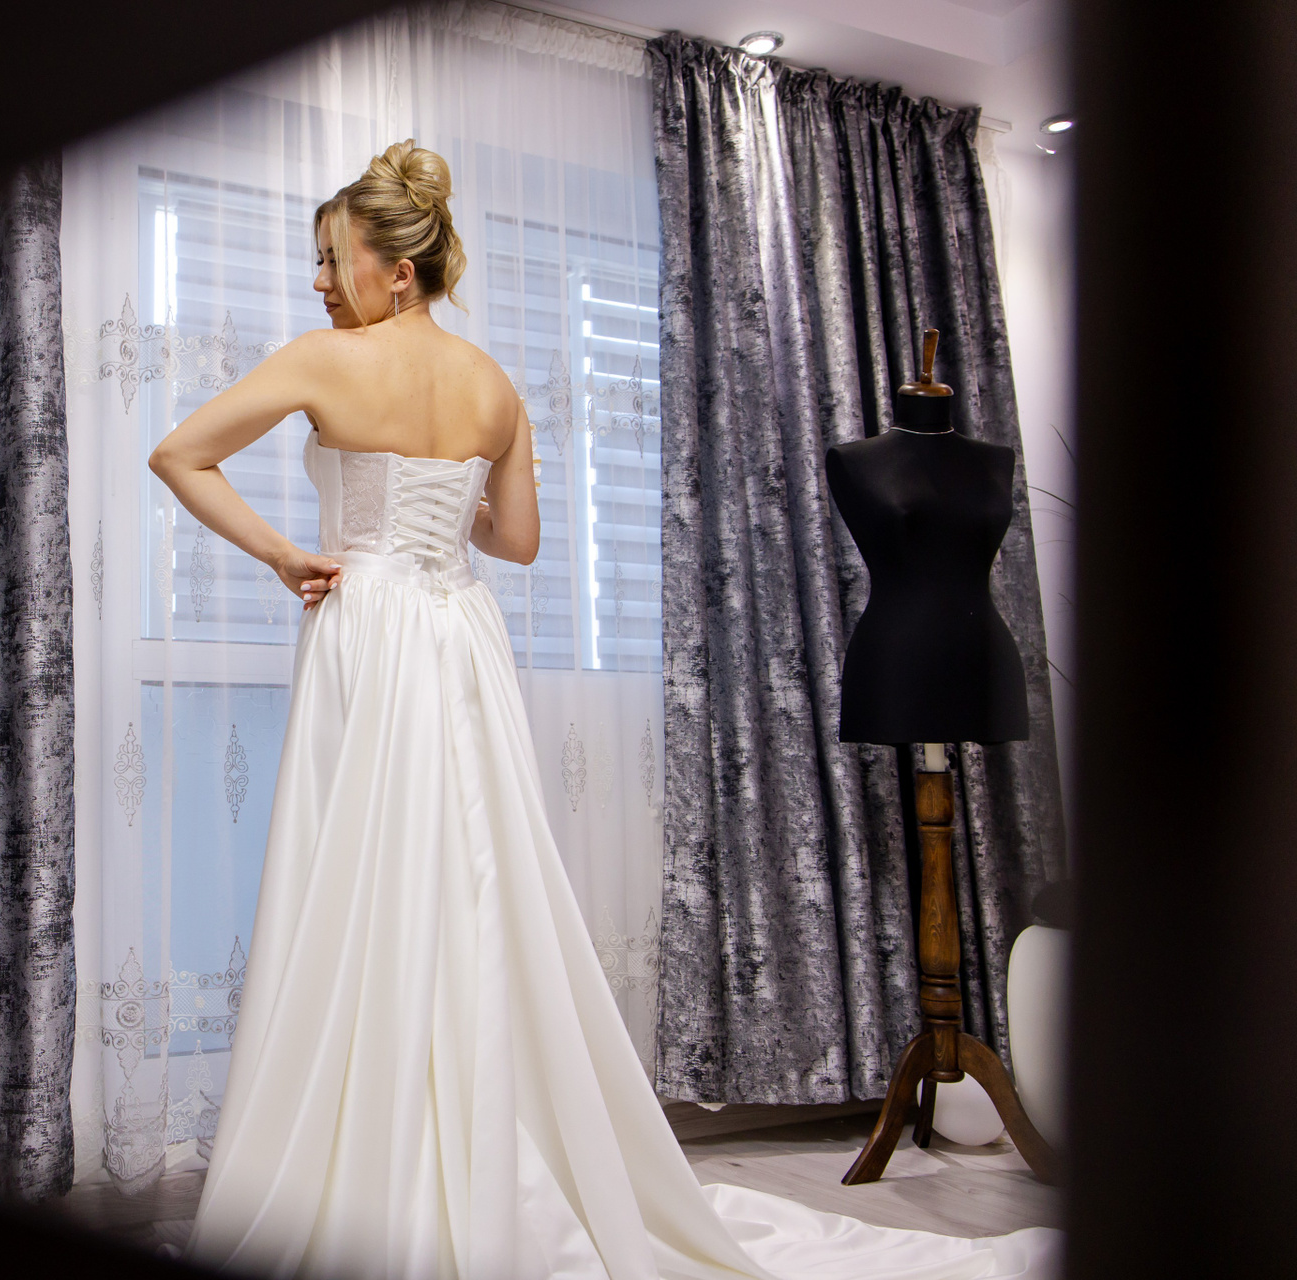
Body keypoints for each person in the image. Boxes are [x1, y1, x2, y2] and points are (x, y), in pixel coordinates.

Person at [148, 140, 1057, 1280]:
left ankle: (365, 1156)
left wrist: (289, 555)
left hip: (366, 629)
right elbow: (520, 542)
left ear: (397, 268)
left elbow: (179, 454)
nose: (320, 281)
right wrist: (448, 507)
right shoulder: (494, 387)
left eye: (334, 259)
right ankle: (467, 1142)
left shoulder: (324, 359)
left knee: (357, 875)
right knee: (465, 880)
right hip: (458, 633)